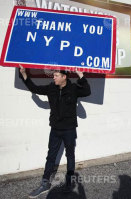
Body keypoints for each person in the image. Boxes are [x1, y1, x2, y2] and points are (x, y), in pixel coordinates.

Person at [19, 65, 91, 198]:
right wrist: (24, 74)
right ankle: (45, 184)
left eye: (56, 75)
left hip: (69, 129)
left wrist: (81, 76)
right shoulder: (51, 88)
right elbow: (34, 88)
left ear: (64, 77)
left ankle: (69, 183)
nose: (54, 77)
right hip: (55, 129)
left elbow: (87, 91)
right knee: (50, 156)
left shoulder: (73, 88)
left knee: (70, 155)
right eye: (54, 75)